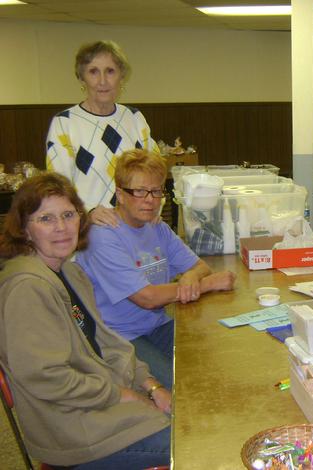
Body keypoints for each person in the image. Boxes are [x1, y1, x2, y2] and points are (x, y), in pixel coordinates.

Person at [0, 173, 171, 469]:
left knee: (192, 413)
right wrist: (123, 395)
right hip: (73, 430)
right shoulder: (26, 289)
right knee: (189, 438)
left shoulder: (69, 272)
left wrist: (151, 384)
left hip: (97, 403)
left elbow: (105, 343)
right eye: (46, 219)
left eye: (68, 214)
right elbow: (47, 378)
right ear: (25, 229)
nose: (62, 228)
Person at [76, 149, 236, 390]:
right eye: (139, 191)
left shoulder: (156, 227)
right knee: (180, 388)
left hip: (156, 325)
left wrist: (192, 275)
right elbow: (147, 298)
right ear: (120, 194)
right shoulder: (102, 236)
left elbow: (199, 266)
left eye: (156, 191)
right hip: (119, 338)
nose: (150, 200)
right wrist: (207, 284)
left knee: (212, 364)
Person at [46, 40, 160, 227]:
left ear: (121, 76)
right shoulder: (65, 123)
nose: (102, 81)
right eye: (93, 72)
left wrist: (154, 207)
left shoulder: (135, 118)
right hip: (90, 230)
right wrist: (88, 212)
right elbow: (58, 185)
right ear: (82, 78)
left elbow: (154, 174)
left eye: (110, 71)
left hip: (136, 228)